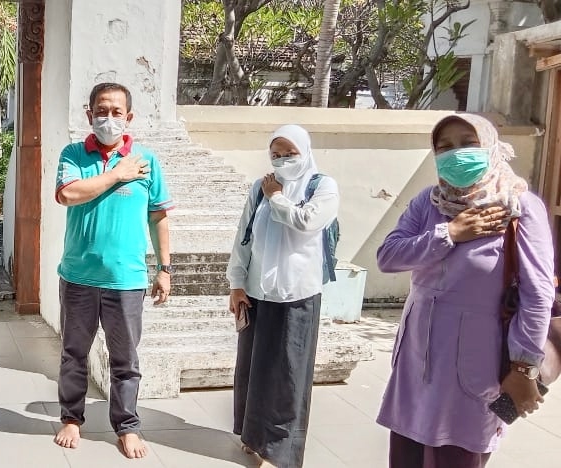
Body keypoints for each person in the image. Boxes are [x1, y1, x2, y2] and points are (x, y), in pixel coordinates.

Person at [376, 114, 554, 467]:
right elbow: (389, 256)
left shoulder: (518, 206)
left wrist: (524, 367)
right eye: (445, 147)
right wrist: (450, 234)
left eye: (468, 144)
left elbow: (537, 295)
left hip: (475, 363)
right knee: (407, 455)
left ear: (490, 146)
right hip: (415, 359)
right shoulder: (428, 202)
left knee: (457, 453)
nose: (456, 154)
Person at [53, 82, 173, 459]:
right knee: (74, 353)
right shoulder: (74, 154)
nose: (108, 118)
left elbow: (159, 217)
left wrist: (165, 268)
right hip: (78, 277)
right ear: (89, 115)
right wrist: (118, 174)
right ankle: (71, 418)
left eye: (116, 112)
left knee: (125, 360)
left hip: (127, 280)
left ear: (129, 117)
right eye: (101, 111)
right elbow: (68, 194)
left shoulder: (146, 161)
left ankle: (127, 426)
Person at [226, 124, 340, 468]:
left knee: (288, 376)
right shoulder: (259, 188)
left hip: (297, 295)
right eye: (275, 154)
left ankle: (279, 451)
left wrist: (277, 197)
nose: (282, 160)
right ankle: (252, 437)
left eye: (290, 153)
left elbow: (307, 221)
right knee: (253, 370)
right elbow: (244, 237)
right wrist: (236, 283)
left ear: (304, 151)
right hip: (258, 293)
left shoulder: (322, 187)